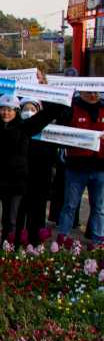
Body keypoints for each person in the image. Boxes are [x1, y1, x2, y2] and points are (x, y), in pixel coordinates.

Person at [0, 94, 60, 241]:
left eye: (10, 109)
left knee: (11, 220)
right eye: (3, 109)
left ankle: (8, 248)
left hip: (15, 182)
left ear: (16, 111)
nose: (6, 113)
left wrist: (58, 95)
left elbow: (47, 115)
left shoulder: (25, 127)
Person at [55, 90, 104, 243]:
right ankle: (63, 239)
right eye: (90, 92)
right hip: (76, 168)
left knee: (99, 208)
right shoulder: (71, 108)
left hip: (100, 168)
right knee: (70, 205)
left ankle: (98, 240)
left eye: (97, 92)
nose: (93, 95)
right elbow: (59, 131)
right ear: (81, 91)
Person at [18, 100, 57, 243]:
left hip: (40, 180)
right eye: (26, 108)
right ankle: (15, 243)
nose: (29, 112)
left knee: (37, 214)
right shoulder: (17, 128)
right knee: (19, 214)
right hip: (21, 181)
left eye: (32, 109)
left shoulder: (49, 131)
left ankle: (35, 242)